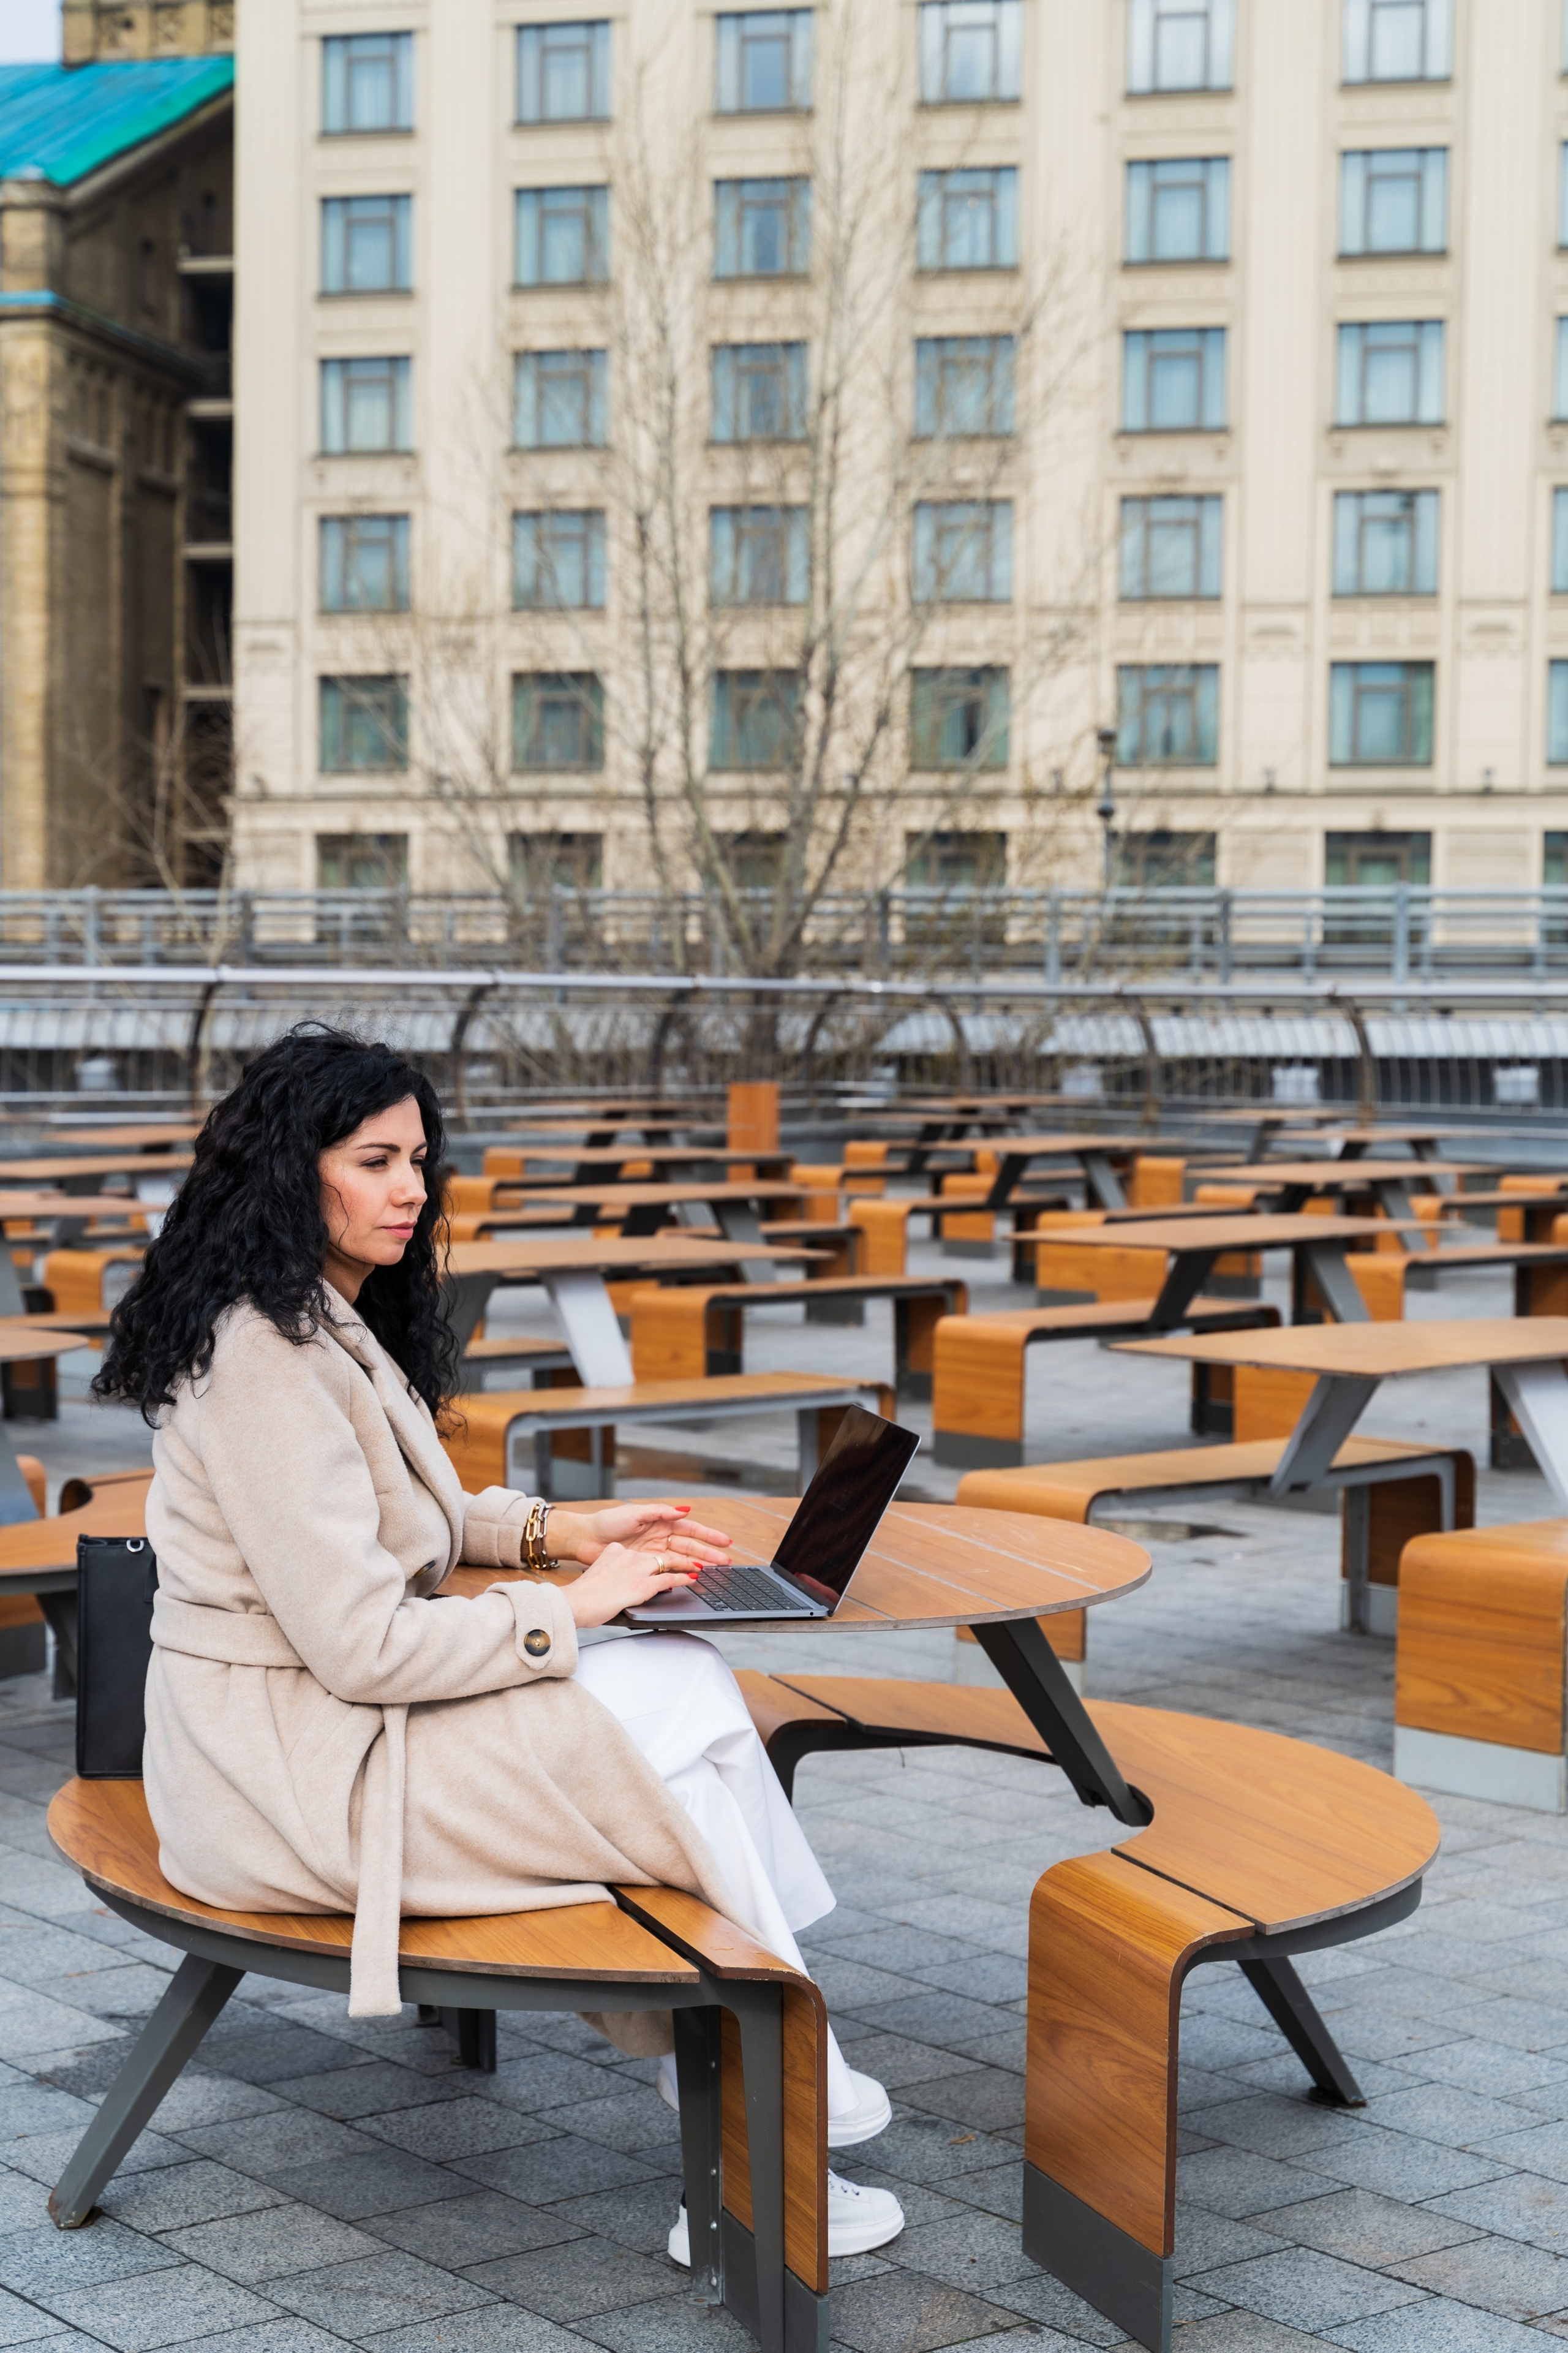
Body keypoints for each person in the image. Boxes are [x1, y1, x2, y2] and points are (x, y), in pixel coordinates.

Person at [94, 1027, 902, 2260]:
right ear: (285, 1169)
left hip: (321, 1729)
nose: (411, 1188)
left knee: (679, 1689)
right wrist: (573, 1608)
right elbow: (362, 1642)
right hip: (284, 1775)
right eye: (374, 1159)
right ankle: (770, 2136)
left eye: (419, 1157)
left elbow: (394, 1511)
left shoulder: (316, 1319)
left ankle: (775, 2098)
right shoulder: (265, 1357)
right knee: (675, 1718)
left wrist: (564, 1529)